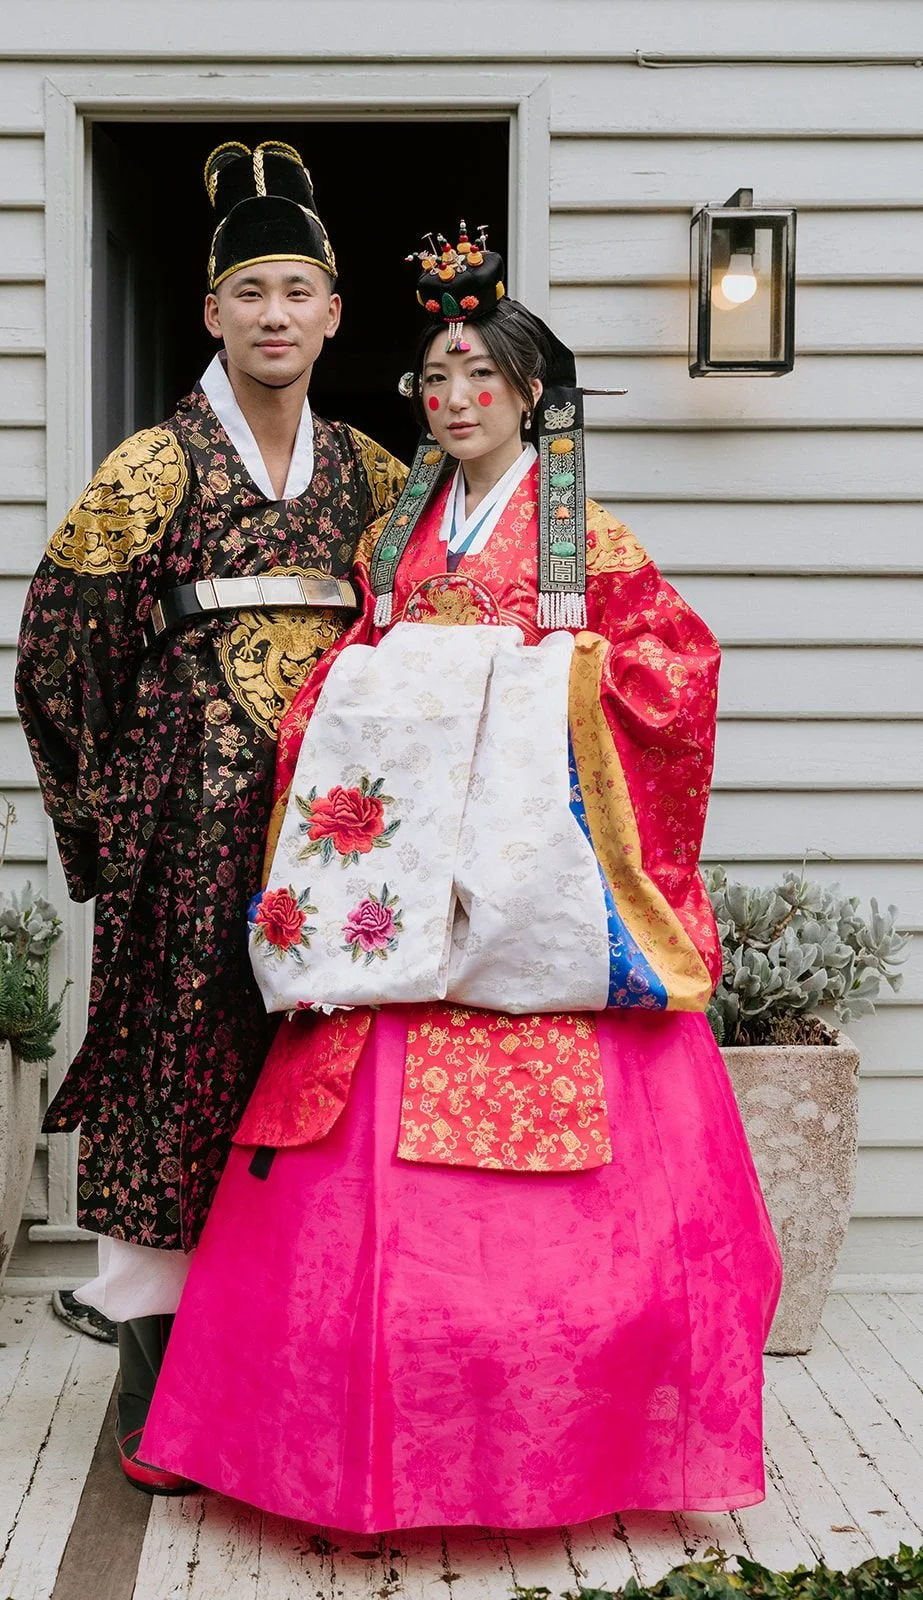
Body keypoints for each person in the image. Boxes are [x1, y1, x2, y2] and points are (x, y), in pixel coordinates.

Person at [141, 226, 781, 1530]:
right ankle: (289, 1427)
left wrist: (541, 677)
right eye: (434, 376)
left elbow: (677, 674)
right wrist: (364, 694)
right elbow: (358, 660)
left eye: (477, 374)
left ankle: (565, 1444)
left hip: (530, 907)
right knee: (347, 1209)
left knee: (563, 1212)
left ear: (529, 394)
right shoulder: (399, 537)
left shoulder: (579, 536)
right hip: (399, 914)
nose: (453, 397)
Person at [15, 140, 406, 1491]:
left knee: (321, 1077)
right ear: (212, 315)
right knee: (176, 1069)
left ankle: (304, 1355)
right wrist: (115, 820)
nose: (277, 316)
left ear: (334, 311)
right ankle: (151, 1373)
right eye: (252, 293)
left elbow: (421, 635)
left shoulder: (372, 474)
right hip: (183, 840)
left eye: (299, 290)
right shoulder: (147, 469)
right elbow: (59, 658)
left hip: (336, 836)